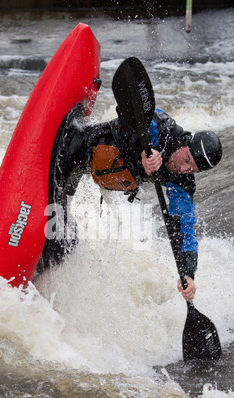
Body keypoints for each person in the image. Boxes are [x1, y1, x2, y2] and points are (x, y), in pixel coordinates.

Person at [39, 104, 222, 302]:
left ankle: (35, 285)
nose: (182, 167)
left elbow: (185, 226)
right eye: (186, 158)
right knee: (52, 233)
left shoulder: (181, 181)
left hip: (75, 174)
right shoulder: (163, 128)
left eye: (191, 169)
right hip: (70, 146)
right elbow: (129, 110)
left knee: (61, 241)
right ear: (185, 142)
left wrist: (188, 273)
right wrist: (142, 148)